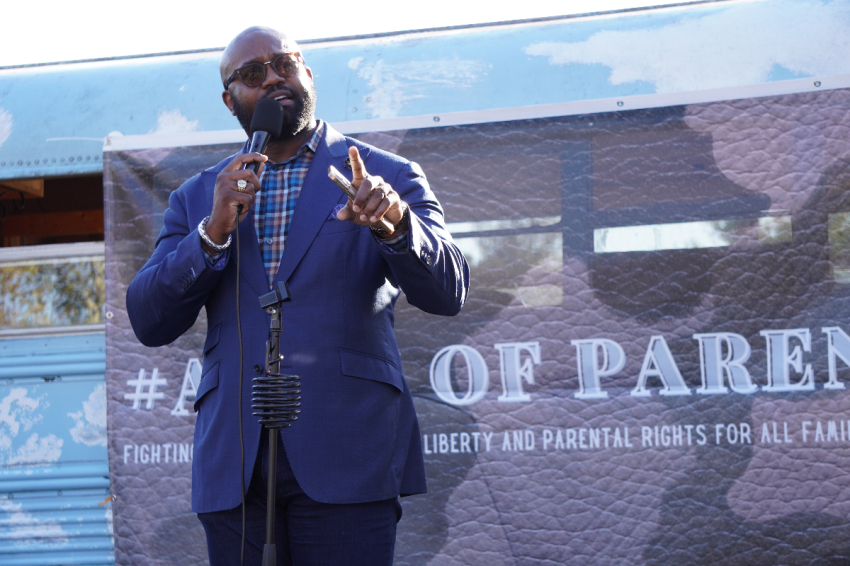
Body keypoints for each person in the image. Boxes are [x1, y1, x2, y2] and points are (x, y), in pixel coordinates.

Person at [126, 26, 469, 566]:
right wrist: (212, 234)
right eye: (253, 74)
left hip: (348, 450)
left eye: (283, 63)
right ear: (230, 99)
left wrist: (396, 223)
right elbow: (148, 318)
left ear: (306, 71)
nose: (273, 78)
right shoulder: (199, 196)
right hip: (236, 461)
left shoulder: (385, 175)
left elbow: (450, 290)